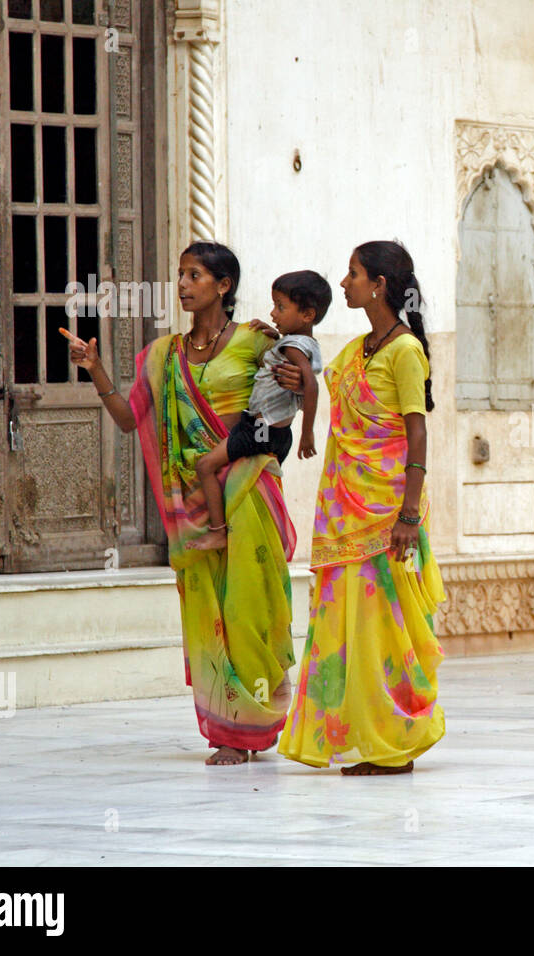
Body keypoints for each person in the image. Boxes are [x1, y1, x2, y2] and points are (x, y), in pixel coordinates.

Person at [66, 240, 303, 766]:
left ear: (224, 286)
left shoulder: (257, 343)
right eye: (179, 274)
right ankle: (229, 731)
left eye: (194, 275)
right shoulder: (162, 356)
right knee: (207, 612)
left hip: (248, 492)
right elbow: (130, 420)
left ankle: (255, 719)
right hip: (191, 502)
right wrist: (95, 368)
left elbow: (287, 404)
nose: (182, 284)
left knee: (248, 607)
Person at [276, 240, 447, 775]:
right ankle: (359, 734)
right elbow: (331, 403)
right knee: (343, 624)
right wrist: (293, 379)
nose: (343, 283)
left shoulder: (404, 351)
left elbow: (415, 433)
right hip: (343, 513)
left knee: (384, 628)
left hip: (386, 514)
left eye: (352, 275)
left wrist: (409, 515)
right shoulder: (354, 351)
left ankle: (395, 741)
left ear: (378, 285)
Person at [188, 270, 328, 551]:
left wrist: (309, 433)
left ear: (307, 315)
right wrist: (277, 337)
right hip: (278, 433)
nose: (273, 313)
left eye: (281, 306)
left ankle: (217, 531)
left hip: (258, 430)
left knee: (205, 466)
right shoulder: (303, 343)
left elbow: (310, 385)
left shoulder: (292, 347)